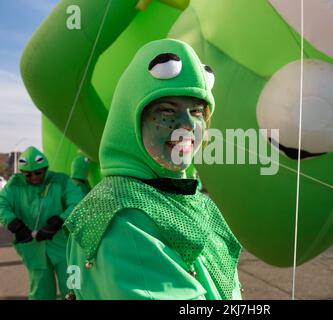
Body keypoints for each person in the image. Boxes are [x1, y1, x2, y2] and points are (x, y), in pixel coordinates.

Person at [65, 39, 242, 300]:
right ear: (131, 120)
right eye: (167, 110)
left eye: (196, 111)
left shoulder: (181, 195)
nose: (187, 124)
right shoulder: (122, 214)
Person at [0, 146, 84, 299]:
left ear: (45, 168)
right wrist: (14, 224)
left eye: (38, 172)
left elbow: (77, 202)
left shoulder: (61, 180)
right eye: (28, 174)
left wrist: (59, 220)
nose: (33, 177)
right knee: (40, 293)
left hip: (65, 247)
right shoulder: (14, 184)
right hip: (33, 249)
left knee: (75, 290)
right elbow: (1, 204)